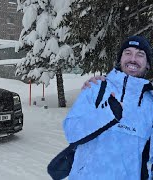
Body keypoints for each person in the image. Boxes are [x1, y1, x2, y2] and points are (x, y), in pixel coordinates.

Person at [63, 35, 153, 179]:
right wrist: (107, 114)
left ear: (148, 64)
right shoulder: (96, 88)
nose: (133, 59)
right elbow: (71, 132)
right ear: (120, 59)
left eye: (140, 55)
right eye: (128, 53)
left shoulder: (150, 103)